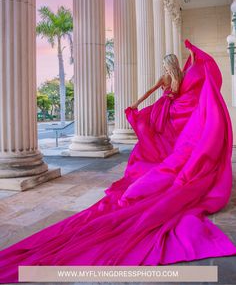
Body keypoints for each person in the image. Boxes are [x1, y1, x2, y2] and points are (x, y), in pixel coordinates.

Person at [0, 39, 236, 283]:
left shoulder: (180, 79)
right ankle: (151, 180)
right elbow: (154, 91)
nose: (165, 71)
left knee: (174, 154)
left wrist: (192, 62)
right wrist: (136, 105)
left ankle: (159, 177)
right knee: (156, 151)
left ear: (171, 66)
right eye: (166, 68)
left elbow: (188, 86)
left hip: (175, 116)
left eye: (167, 67)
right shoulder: (169, 79)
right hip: (167, 113)